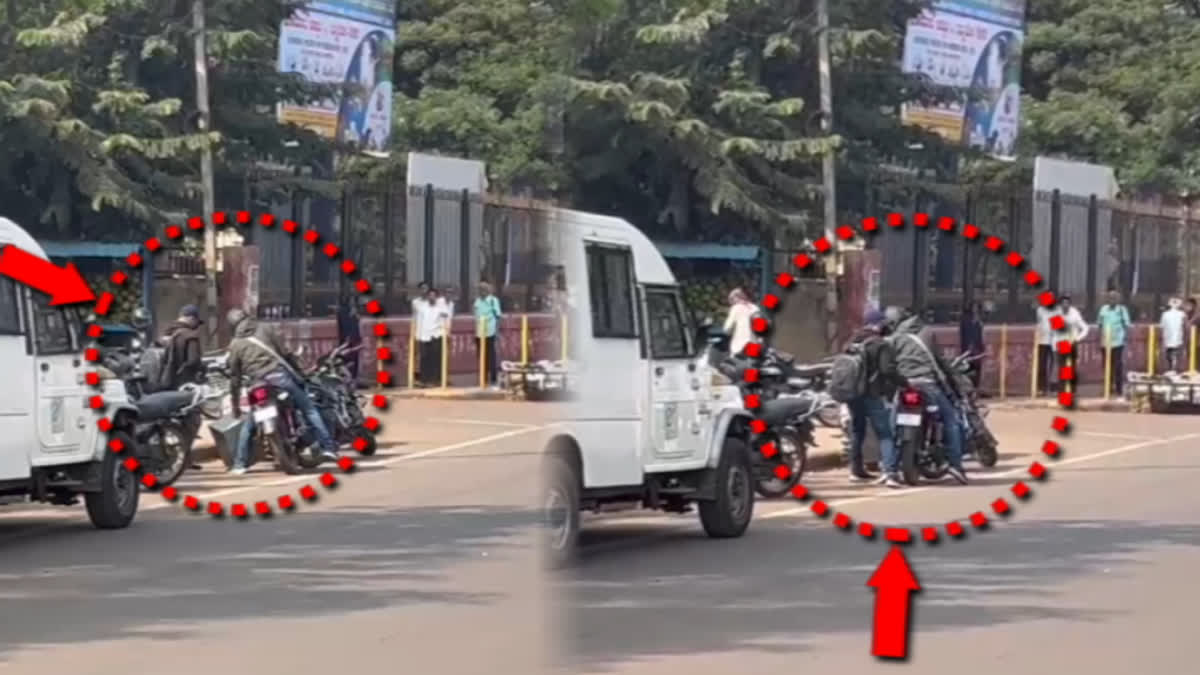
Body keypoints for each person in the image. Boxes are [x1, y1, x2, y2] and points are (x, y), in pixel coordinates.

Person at [225, 308, 338, 475]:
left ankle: (240, 464)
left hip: (257, 386)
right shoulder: (265, 328)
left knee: (249, 423)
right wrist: (300, 372)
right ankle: (328, 447)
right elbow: (285, 353)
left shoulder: (235, 344)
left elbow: (235, 377)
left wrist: (235, 405)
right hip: (280, 379)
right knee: (308, 408)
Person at [886, 306, 968, 485]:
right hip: (928, 385)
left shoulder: (893, 340)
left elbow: (889, 365)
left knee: (892, 428)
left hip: (905, 387)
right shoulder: (927, 333)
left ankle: (890, 471)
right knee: (951, 421)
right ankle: (956, 464)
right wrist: (953, 383)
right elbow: (940, 362)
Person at [845, 309, 907, 488]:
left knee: (858, 430)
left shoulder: (853, 341)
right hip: (872, 394)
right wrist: (904, 382)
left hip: (853, 393)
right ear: (879, 324)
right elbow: (887, 370)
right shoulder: (881, 344)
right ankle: (890, 473)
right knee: (885, 433)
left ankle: (855, 470)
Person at [159, 304, 205, 391]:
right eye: (196, 323)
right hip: (185, 385)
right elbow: (193, 361)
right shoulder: (190, 335)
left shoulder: (165, 335)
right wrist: (202, 368)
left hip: (166, 383)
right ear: (191, 318)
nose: (196, 326)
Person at [1097, 290, 1132, 395]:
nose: (1112, 300)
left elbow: (1127, 325)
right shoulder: (1103, 309)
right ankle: (1107, 388)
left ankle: (1118, 389)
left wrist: (1125, 337)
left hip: (1118, 342)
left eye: (1114, 298)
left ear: (1118, 299)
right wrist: (1099, 338)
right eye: (1110, 297)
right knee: (1106, 366)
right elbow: (1100, 324)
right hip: (1105, 342)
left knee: (1117, 366)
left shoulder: (1122, 310)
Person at [417, 286, 450, 386]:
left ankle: (435, 380)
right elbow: (419, 322)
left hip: (436, 335)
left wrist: (442, 302)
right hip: (424, 335)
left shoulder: (440, 307)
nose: (431, 297)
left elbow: (447, 314)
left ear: (436, 297)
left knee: (436, 358)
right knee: (424, 358)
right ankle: (424, 380)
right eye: (430, 296)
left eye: (433, 296)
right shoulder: (423, 308)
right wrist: (418, 336)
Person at [1055, 295, 1089, 390]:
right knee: (1062, 366)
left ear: (1069, 304)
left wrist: (1077, 338)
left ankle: (1072, 388)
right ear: (1060, 305)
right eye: (1063, 303)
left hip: (1072, 343)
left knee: (1071, 366)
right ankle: (1063, 388)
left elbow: (1085, 327)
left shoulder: (1075, 313)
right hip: (1061, 342)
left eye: (1067, 303)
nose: (1065, 305)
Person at [473, 281, 503, 387]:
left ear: (488, 290)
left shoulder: (493, 301)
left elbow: (498, 316)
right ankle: (483, 378)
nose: (482, 291)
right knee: (481, 356)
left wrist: (497, 331)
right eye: (480, 289)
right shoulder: (477, 301)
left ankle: (493, 378)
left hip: (490, 331)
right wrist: (474, 331)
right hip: (479, 333)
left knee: (491, 356)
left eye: (484, 289)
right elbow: (476, 317)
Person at [335, 295, 363, 384]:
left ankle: (352, 379)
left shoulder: (351, 314)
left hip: (352, 341)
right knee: (349, 361)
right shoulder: (345, 312)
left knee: (352, 361)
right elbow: (346, 328)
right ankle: (350, 379)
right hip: (349, 341)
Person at [723, 288, 759, 356]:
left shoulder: (735, 308)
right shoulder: (754, 308)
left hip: (739, 347)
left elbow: (727, 329)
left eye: (731, 300)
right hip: (753, 345)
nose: (731, 303)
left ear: (736, 298)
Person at [958, 302, 985, 389]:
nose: (975, 311)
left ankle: (976, 387)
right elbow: (964, 336)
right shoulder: (965, 321)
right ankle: (969, 387)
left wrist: (981, 348)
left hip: (977, 350)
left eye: (976, 309)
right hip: (968, 349)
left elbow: (981, 336)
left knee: (977, 370)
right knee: (968, 369)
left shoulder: (980, 321)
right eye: (974, 308)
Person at [1034, 299, 1057, 396]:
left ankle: (1053, 388)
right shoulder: (1040, 310)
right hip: (1042, 341)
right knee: (1041, 365)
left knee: (1055, 366)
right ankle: (1041, 388)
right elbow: (1039, 323)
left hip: (1054, 341)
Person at [1160, 297, 1187, 372]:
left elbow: (1162, 327)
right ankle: (1174, 369)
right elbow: (1186, 325)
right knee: (1175, 353)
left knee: (1170, 353)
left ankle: (1171, 368)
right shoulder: (1182, 314)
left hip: (1169, 337)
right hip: (1177, 337)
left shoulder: (1165, 314)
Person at [411, 282, 430, 383]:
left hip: (430, 332)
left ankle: (427, 376)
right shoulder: (415, 302)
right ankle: (417, 376)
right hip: (419, 332)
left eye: (426, 288)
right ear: (419, 290)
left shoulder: (431, 302)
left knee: (428, 355)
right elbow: (414, 317)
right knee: (419, 355)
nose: (424, 291)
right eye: (422, 288)